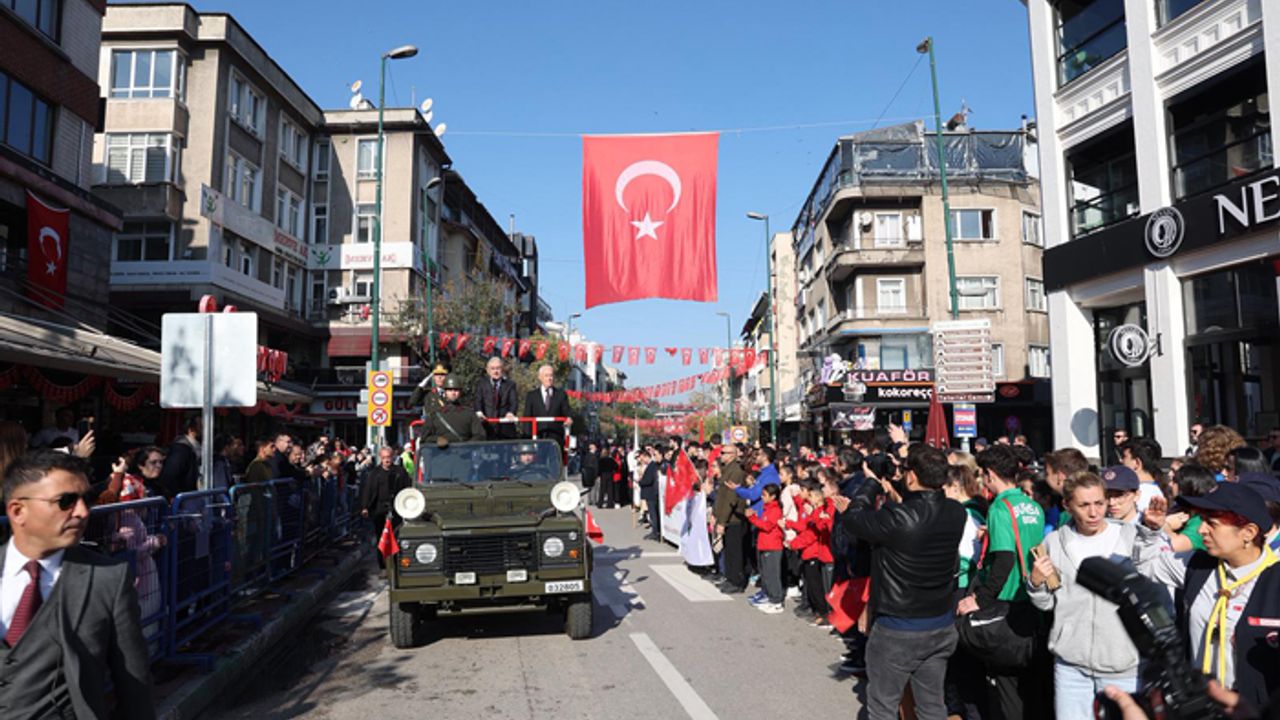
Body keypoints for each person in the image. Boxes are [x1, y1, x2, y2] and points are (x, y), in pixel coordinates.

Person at [0, 451, 155, 718]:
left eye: (87, 500)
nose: (82, 512)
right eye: (66, 502)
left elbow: (135, 688)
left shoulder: (107, 580)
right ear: (18, 511)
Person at [834, 444, 966, 720]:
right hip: (940, 623)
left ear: (912, 476)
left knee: (883, 706)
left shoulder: (898, 518)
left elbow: (855, 518)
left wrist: (871, 482)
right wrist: (893, 481)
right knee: (932, 705)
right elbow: (921, 503)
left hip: (898, 627)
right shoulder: (956, 513)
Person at [1136, 483, 1280, 710]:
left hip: (1251, 711)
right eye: (1202, 520)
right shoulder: (1197, 564)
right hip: (1199, 706)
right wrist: (1151, 530)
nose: (1201, 530)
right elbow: (1147, 566)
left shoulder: (1275, 578)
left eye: (1212, 523)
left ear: (1248, 533)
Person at [1028, 472, 1141, 720]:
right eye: (1084, 505)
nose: (1094, 513)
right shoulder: (1054, 542)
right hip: (1071, 665)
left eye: (1099, 503)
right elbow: (1048, 603)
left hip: (1122, 663)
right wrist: (1035, 583)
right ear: (1067, 505)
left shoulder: (1131, 538)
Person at [962, 443, 1046, 720]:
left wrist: (978, 599)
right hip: (1035, 597)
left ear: (989, 474)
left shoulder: (1000, 507)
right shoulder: (1031, 504)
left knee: (1007, 685)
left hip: (1007, 603)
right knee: (1033, 685)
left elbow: (1004, 560)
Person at [359, 447, 412, 568]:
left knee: (396, 536)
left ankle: (397, 564)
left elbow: (407, 489)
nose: (387, 460)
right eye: (384, 458)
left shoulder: (400, 472)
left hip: (396, 509)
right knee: (381, 538)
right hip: (379, 509)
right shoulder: (374, 473)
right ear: (380, 458)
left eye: (388, 457)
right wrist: (365, 507)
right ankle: (382, 565)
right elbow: (368, 490)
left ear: (392, 457)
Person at [712, 444, 750, 593]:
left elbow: (730, 499)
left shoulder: (735, 472)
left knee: (735, 552)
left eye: (724, 453)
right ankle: (730, 578)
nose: (721, 455)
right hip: (725, 516)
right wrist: (716, 515)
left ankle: (737, 582)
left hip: (733, 518)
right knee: (728, 550)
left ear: (732, 455)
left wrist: (722, 521)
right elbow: (720, 497)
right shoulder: (727, 470)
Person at [745, 483, 785, 614]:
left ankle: (777, 601)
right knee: (766, 574)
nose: (762, 497)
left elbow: (767, 526)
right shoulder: (767, 508)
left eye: (765, 495)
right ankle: (769, 596)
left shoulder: (775, 510)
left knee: (772, 575)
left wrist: (752, 518)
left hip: (773, 547)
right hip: (764, 545)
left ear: (773, 496)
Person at [420, 375, 486, 443]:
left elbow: (480, 435)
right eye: (450, 390)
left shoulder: (469, 413)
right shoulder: (435, 415)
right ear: (445, 392)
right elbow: (424, 438)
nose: (453, 393)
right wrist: (437, 440)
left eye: (456, 390)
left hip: (464, 451)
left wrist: (467, 445)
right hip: (442, 452)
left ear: (460, 392)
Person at [523, 364, 573, 449]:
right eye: (546, 375)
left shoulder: (561, 395)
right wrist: (528, 440)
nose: (549, 378)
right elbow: (527, 418)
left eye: (551, 375)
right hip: (538, 437)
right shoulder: (531, 396)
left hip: (556, 439)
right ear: (540, 377)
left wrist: (569, 418)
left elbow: (567, 412)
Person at [99, 446, 165, 505]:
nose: (159, 466)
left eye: (161, 462)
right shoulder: (129, 482)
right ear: (140, 465)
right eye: (153, 462)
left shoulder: (160, 486)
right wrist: (118, 474)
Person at [155, 415, 201, 500]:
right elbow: (170, 475)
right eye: (201, 427)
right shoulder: (181, 449)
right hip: (184, 498)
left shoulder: (195, 447)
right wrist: (178, 496)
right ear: (191, 430)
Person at [474, 356, 519, 439]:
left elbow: (514, 402)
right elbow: (478, 401)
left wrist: (511, 412)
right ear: (487, 370)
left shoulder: (510, 385)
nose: (495, 371)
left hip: (505, 428)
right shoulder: (481, 384)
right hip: (487, 427)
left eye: (498, 368)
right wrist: (479, 413)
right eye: (493, 368)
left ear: (502, 369)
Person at [581, 441, 599, 505]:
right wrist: (597, 475)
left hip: (588, 474)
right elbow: (596, 466)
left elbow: (584, 465)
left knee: (589, 488)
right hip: (594, 474)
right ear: (592, 448)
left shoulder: (586, 456)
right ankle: (594, 500)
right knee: (594, 488)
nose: (596, 448)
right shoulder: (595, 456)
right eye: (595, 447)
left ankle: (590, 500)